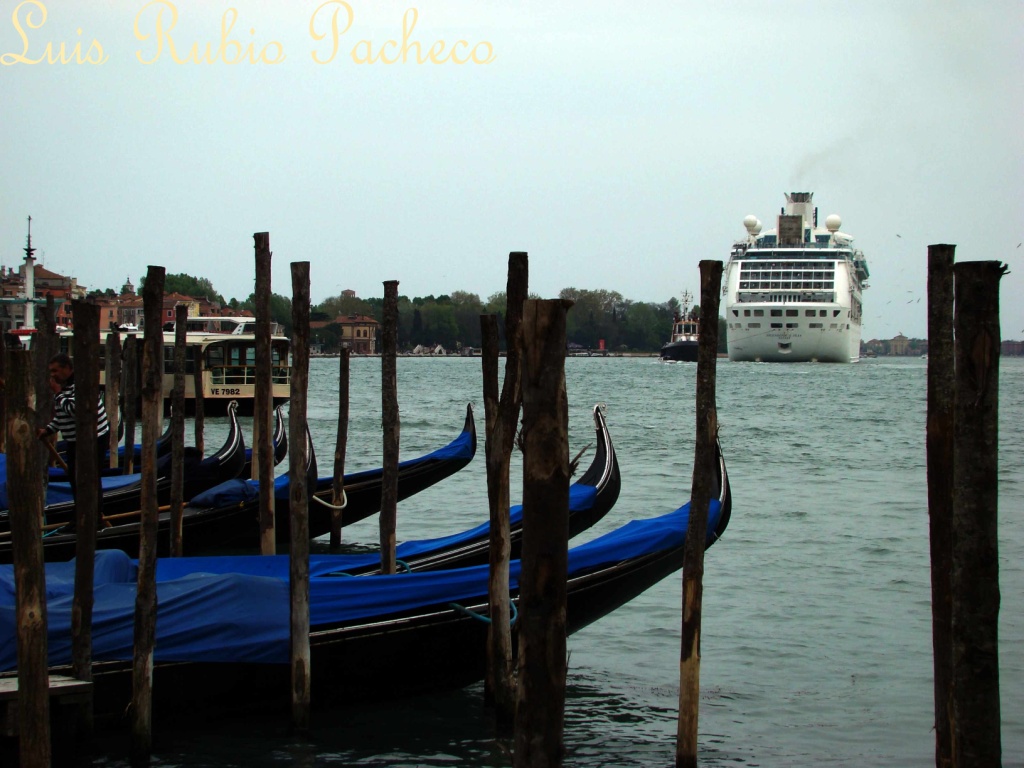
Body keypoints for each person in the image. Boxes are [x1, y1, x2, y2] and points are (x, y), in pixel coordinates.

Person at [36, 352, 109, 526]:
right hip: (75, 440)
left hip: (94, 438)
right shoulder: (65, 387)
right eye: (50, 371)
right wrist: (48, 430)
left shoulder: (80, 385)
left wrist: (58, 394)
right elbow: (63, 415)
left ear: (68, 368)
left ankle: (93, 519)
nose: (53, 375)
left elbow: (77, 412)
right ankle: (81, 516)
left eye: (56, 370)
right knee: (75, 480)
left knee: (88, 479)